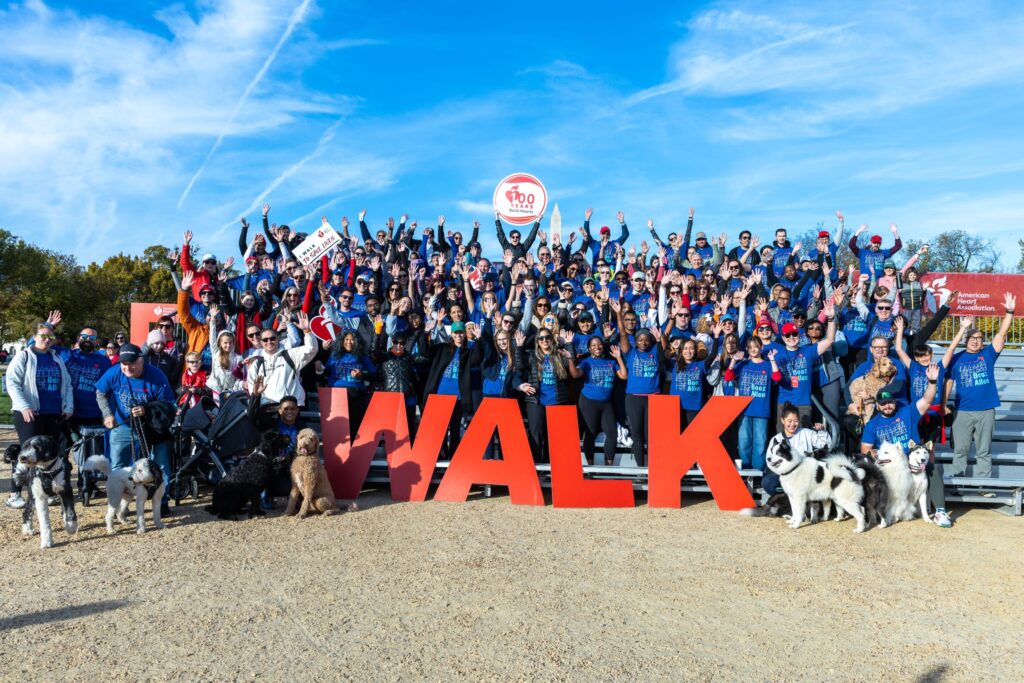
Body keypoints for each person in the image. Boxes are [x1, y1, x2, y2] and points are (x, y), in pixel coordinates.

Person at [860, 367, 950, 527]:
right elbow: (865, 448)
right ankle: (877, 511)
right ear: (878, 406)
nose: (887, 406)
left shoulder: (908, 412)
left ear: (894, 402)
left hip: (911, 458)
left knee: (933, 469)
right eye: (883, 404)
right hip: (891, 463)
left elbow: (927, 400)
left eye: (890, 402)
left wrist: (932, 381)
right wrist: (873, 453)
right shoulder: (872, 425)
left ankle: (940, 511)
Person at [94, 344, 176, 515]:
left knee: (160, 466)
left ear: (141, 361)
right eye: (124, 363)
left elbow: (168, 405)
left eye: (132, 363)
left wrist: (147, 409)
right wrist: (108, 414)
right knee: (118, 466)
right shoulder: (115, 372)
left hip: (153, 429)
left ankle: (161, 502)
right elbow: (100, 392)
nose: (127, 367)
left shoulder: (156, 376)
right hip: (123, 426)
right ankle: (118, 505)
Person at [943, 295, 1015, 482]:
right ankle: (958, 484)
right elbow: (948, 382)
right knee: (960, 451)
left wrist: (1009, 312)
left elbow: (1001, 333)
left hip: (985, 410)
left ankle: (984, 486)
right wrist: (943, 405)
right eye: (972, 338)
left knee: (984, 451)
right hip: (963, 411)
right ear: (965, 340)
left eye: (980, 338)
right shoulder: (956, 358)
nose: (976, 341)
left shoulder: (988, 355)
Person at [5, 322, 74, 509]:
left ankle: (45, 491)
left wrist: (68, 406)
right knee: (26, 454)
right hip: (29, 413)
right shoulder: (24, 356)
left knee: (47, 456)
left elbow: (67, 385)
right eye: (43, 336)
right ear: (34, 337)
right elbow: (12, 382)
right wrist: (24, 406)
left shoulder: (56, 358)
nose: (46, 340)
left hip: (53, 413)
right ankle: (15, 493)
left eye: (50, 337)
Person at [724, 339, 782, 470]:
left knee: (760, 444)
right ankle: (745, 471)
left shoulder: (767, 365)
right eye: (750, 347)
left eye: (756, 347)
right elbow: (728, 377)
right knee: (744, 442)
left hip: (761, 411)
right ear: (747, 349)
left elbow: (777, 378)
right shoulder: (743, 364)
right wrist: (734, 360)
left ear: (761, 347)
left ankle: (757, 473)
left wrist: (772, 360)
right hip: (744, 411)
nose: (753, 349)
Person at [244, 311, 319, 406]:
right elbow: (252, 388)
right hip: (267, 409)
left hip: (291, 408)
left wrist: (307, 331)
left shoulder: (290, 355)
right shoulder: (256, 364)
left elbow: (311, 349)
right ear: (261, 342)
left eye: (272, 338)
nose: (269, 342)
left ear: (278, 338)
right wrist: (262, 403)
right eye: (265, 340)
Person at [761, 402, 831, 498]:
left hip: (805, 476)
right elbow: (770, 461)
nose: (793, 424)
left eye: (796, 421)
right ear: (782, 420)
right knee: (768, 482)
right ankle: (787, 498)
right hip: (786, 476)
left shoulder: (807, 433)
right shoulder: (776, 439)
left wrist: (822, 432)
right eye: (789, 421)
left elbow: (826, 445)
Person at [576, 338, 628, 466]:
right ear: (589, 349)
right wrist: (572, 360)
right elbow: (575, 374)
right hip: (589, 402)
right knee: (590, 433)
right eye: (593, 345)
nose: (597, 347)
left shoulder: (611, 362)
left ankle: (608, 467)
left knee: (612, 434)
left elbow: (624, 375)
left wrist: (618, 357)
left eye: (599, 344)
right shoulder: (586, 362)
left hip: (606, 403)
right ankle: (590, 466)